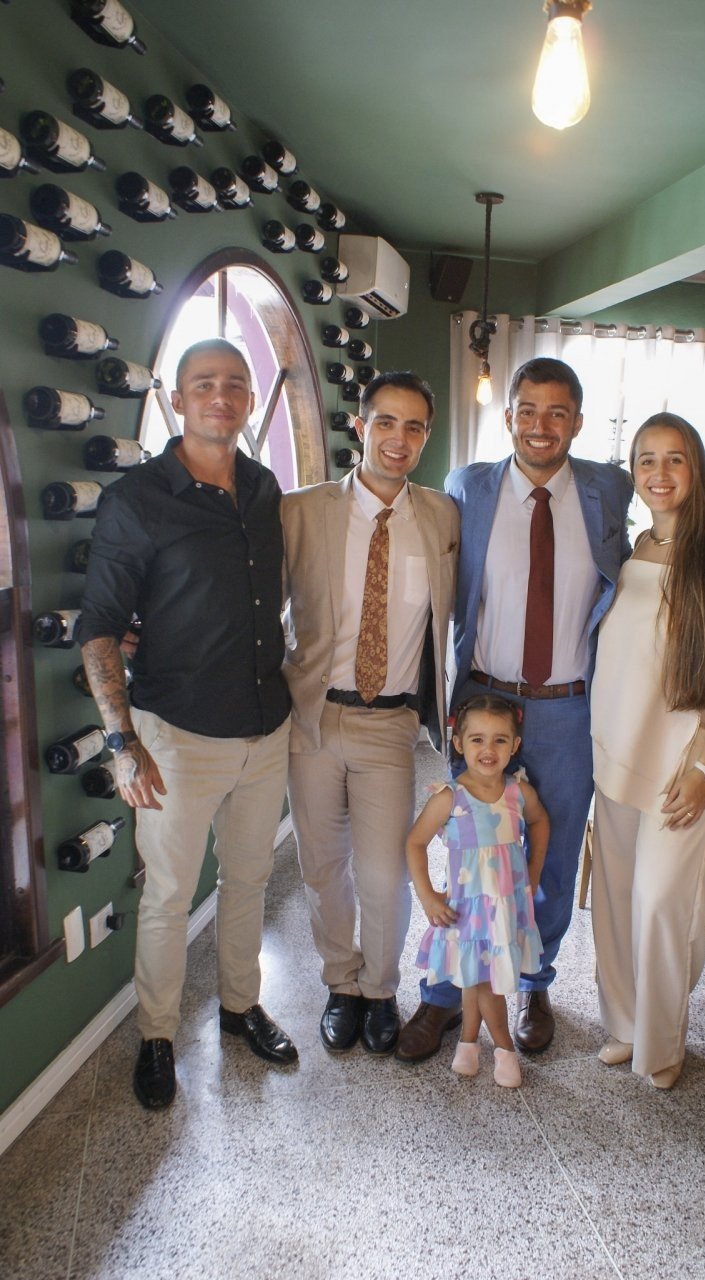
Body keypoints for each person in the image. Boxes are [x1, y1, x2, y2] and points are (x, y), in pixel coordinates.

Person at [396, 356, 633, 1063]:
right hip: (483, 699)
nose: (541, 426)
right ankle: (445, 995)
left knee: (550, 858)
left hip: (568, 710)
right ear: (508, 418)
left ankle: (533, 983)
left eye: (557, 413)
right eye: (527, 411)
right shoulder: (467, 486)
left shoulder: (609, 488)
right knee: (471, 854)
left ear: (578, 423)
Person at [80, 338, 296, 1111]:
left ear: (248, 400)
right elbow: (99, 629)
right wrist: (122, 744)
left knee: (249, 879)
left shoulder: (264, 488)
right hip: (176, 735)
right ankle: (157, 1037)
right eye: (204, 384)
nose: (220, 396)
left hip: (265, 726)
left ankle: (241, 1007)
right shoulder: (136, 500)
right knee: (170, 897)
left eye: (235, 383)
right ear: (176, 400)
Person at [282, 372, 458, 1057]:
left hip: (390, 724)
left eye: (414, 427)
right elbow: (255, 606)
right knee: (323, 866)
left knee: (384, 873)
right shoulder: (302, 510)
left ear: (426, 437)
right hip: (313, 718)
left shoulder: (443, 518)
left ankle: (381, 989)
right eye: (386, 422)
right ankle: (342, 984)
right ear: (361, 426)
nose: (398, 439)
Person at [590, 412, 705, 1089]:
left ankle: (662, 1044)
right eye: (646, 460)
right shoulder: (631, 548)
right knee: (614, 898)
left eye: (675, 459)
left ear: (697, 469)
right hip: (617, 747)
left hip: (684, 760)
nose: (659, 473)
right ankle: (625, 1024)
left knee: (662, 901)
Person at [406, 694, 549, 1087]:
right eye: (477, 740)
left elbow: (540, 823)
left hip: (505, 908)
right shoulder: (449, 797)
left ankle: (468, 1043)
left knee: (477, 976)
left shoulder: (518, 793)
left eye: (500, 740)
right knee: (484, 981)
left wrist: (533, 870)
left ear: (515, 745)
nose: (489, 750)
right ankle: (504, 1048)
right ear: (458, 743)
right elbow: (414, 842)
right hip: (466, 910)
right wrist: (428, 896)